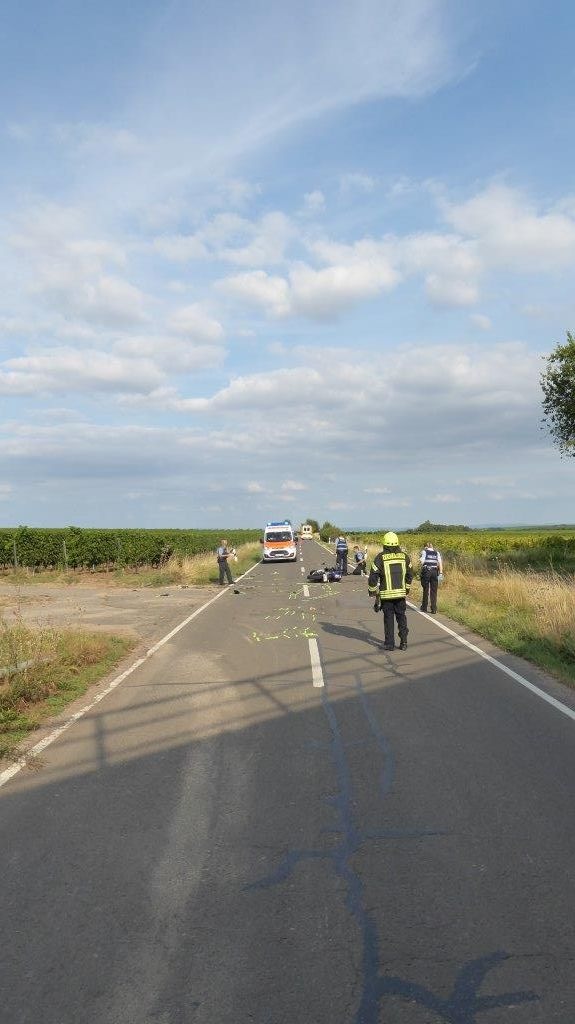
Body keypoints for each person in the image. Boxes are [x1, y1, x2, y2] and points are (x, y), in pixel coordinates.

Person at [368, 531, 413, 650]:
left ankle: (389, 644)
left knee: (389, 619)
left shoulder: (380, 557)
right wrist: (407, 589)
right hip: (400, 595)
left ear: (385, 544)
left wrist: (372, 591)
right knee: (401, 617)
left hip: (387, 596)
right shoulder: (404, 557)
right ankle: (404, 642)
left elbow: (373, 575)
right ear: (397, 544)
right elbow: (410, 574)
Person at [419, 541, 443, 613]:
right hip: (435, 572)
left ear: (426, 547)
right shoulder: (437, 553)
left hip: (427, 571)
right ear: (432, 546)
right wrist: (441, 573)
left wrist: (421, 558)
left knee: (425, 589)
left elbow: (422, 562)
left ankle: (424, 607)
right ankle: (434, 609)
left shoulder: (424, 552)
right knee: (434, 591)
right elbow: (440, 563)